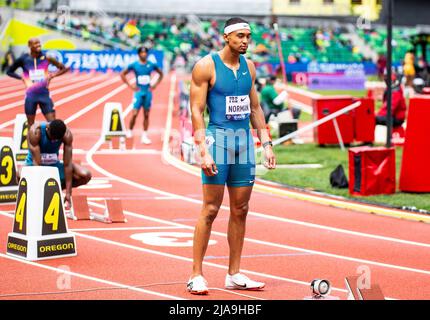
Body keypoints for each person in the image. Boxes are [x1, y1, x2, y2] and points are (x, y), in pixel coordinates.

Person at [188, 17, 276, 295]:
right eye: (240, 36)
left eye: (248, 37)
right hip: (218, 141)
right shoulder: (205, 66)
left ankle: (234, 273)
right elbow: (196, 110)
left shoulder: (249, 67)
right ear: (226, 37)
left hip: (243, 144)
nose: (245, 42)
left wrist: (267, 143)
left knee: (241, 209)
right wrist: (202, 150)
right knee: (211, 209)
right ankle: (196, 275)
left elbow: (255, 108)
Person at [24, 119, 92, 210]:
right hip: (34, 165)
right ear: (47, 129)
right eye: (52, 138)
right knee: (19, 174)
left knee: (85, 175)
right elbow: (37, 165)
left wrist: (68, 193)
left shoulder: (66, 135)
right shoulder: (35, 132)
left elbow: (67, 164)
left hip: (54, 165)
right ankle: (36, 193)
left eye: (57, 139)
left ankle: (58, 189)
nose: (54, 141)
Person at [6, 38, 70, 127]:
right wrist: (21, 77)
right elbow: (9, 71)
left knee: (52, 124)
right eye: (35, 43)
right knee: (30, 125)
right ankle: (31, 141)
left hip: (44, 95)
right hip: (31, 96)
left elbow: (64, 68)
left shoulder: (47, 57)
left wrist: (53, 75)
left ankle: (52, 140)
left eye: (39, 43)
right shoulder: (23, 59)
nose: (38, 45)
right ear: (29, 46)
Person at [120, 46, 164, 144]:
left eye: (145, 53)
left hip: (148, 92)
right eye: (142, 53)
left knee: (146, 115)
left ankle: (144, 136)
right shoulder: (134, 65)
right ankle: (130, 132)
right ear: (139, 54)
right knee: (135, 113)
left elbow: (161, 74)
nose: (144, 54)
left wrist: (155, 84)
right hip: (138, 93)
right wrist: (130, 85)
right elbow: (123, 74)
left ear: (147, 54)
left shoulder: (151, 64)